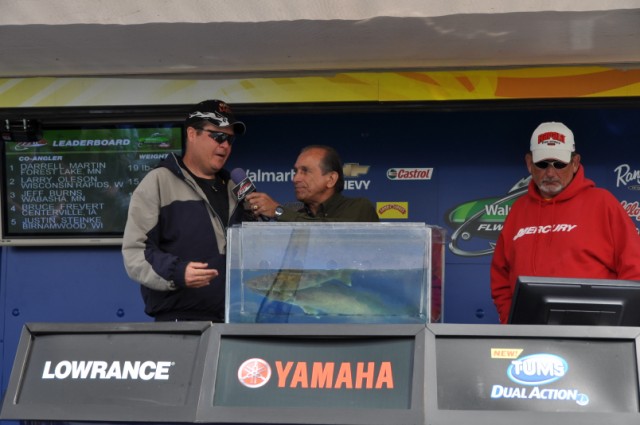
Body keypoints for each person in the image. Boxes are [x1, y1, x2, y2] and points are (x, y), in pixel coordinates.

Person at [491, 121, 640, 324]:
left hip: (595, 331)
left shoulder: (603, 203)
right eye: (542, 164)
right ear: (529, 163)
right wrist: (511, 322)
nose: (550, 173)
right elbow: (500, 278)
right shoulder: (518, 210)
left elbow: (635, 268)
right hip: (530, 333)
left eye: (559, 164)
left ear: (575, 162)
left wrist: (620, 326)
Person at [122, 99, 250, 322]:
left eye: (230, 139)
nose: (225, 145)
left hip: (233, 322)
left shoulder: (235, 188)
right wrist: (177, 272)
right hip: (180, 323)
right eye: (218, 136)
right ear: (192, 134)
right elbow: (135, 252)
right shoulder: (159, 181)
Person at [245, 145, 379, 222]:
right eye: (296, 171)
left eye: (305, 171)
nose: (295, 179)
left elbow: (327, 234)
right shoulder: (295, 212)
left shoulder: (360, 208)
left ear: (331, 179)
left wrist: (278, 211)